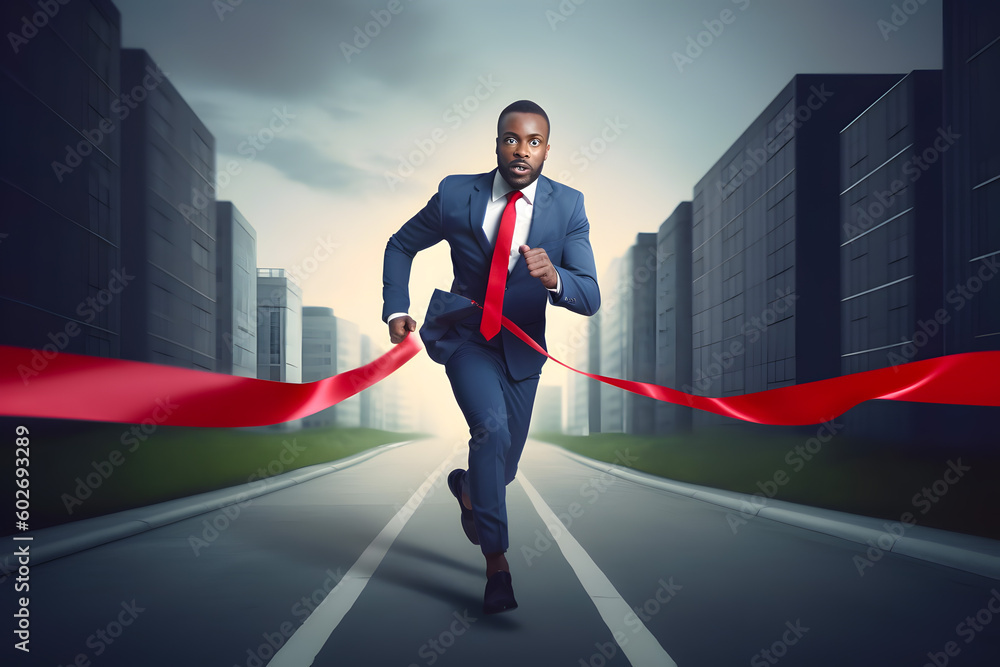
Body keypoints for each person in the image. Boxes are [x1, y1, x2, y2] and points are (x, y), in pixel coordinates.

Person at [381, 100, 600, 614]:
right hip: (466, 338)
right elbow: (399, 244)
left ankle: (468, 491)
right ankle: (497, 565)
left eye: (534, 141)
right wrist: (396, 309)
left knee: (501, 468)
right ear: (497, 141)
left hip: (522, 349)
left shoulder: (568, 206)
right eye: (511, 139)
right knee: (490, 429)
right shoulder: (457, 193)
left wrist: (556, 279)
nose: (521, 151)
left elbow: (589, 296)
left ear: (546, 149)